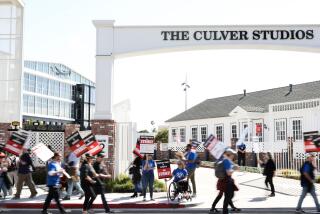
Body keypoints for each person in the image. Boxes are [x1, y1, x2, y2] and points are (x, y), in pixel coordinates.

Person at [210, 148, 240, 214]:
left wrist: (234, 166)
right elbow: (228, 173)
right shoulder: (226, 161)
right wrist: (234, 168)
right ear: (230, 155)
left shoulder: (225, 160)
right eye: (233, 154)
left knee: (228, 196)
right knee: (228, 196)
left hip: (223, 181)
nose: (234, 156)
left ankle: (229, 208)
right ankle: (225, 211)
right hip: (227, 181)